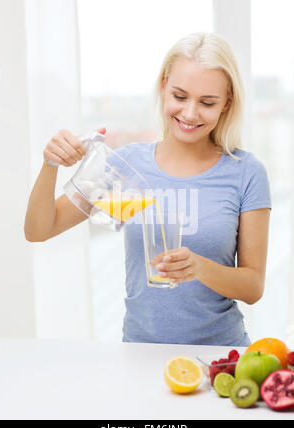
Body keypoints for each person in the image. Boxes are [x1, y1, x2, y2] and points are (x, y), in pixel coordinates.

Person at [25, 32, 271, 346]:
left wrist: (198, 267)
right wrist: (50, 165)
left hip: (220, 356)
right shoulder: (127, 167)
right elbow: (38, 230)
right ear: (163, 86)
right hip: (140, 355)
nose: (190, 113)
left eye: (207, 102)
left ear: (227, 103)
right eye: (180, 96)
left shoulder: (245, 172)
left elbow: (253, 287)